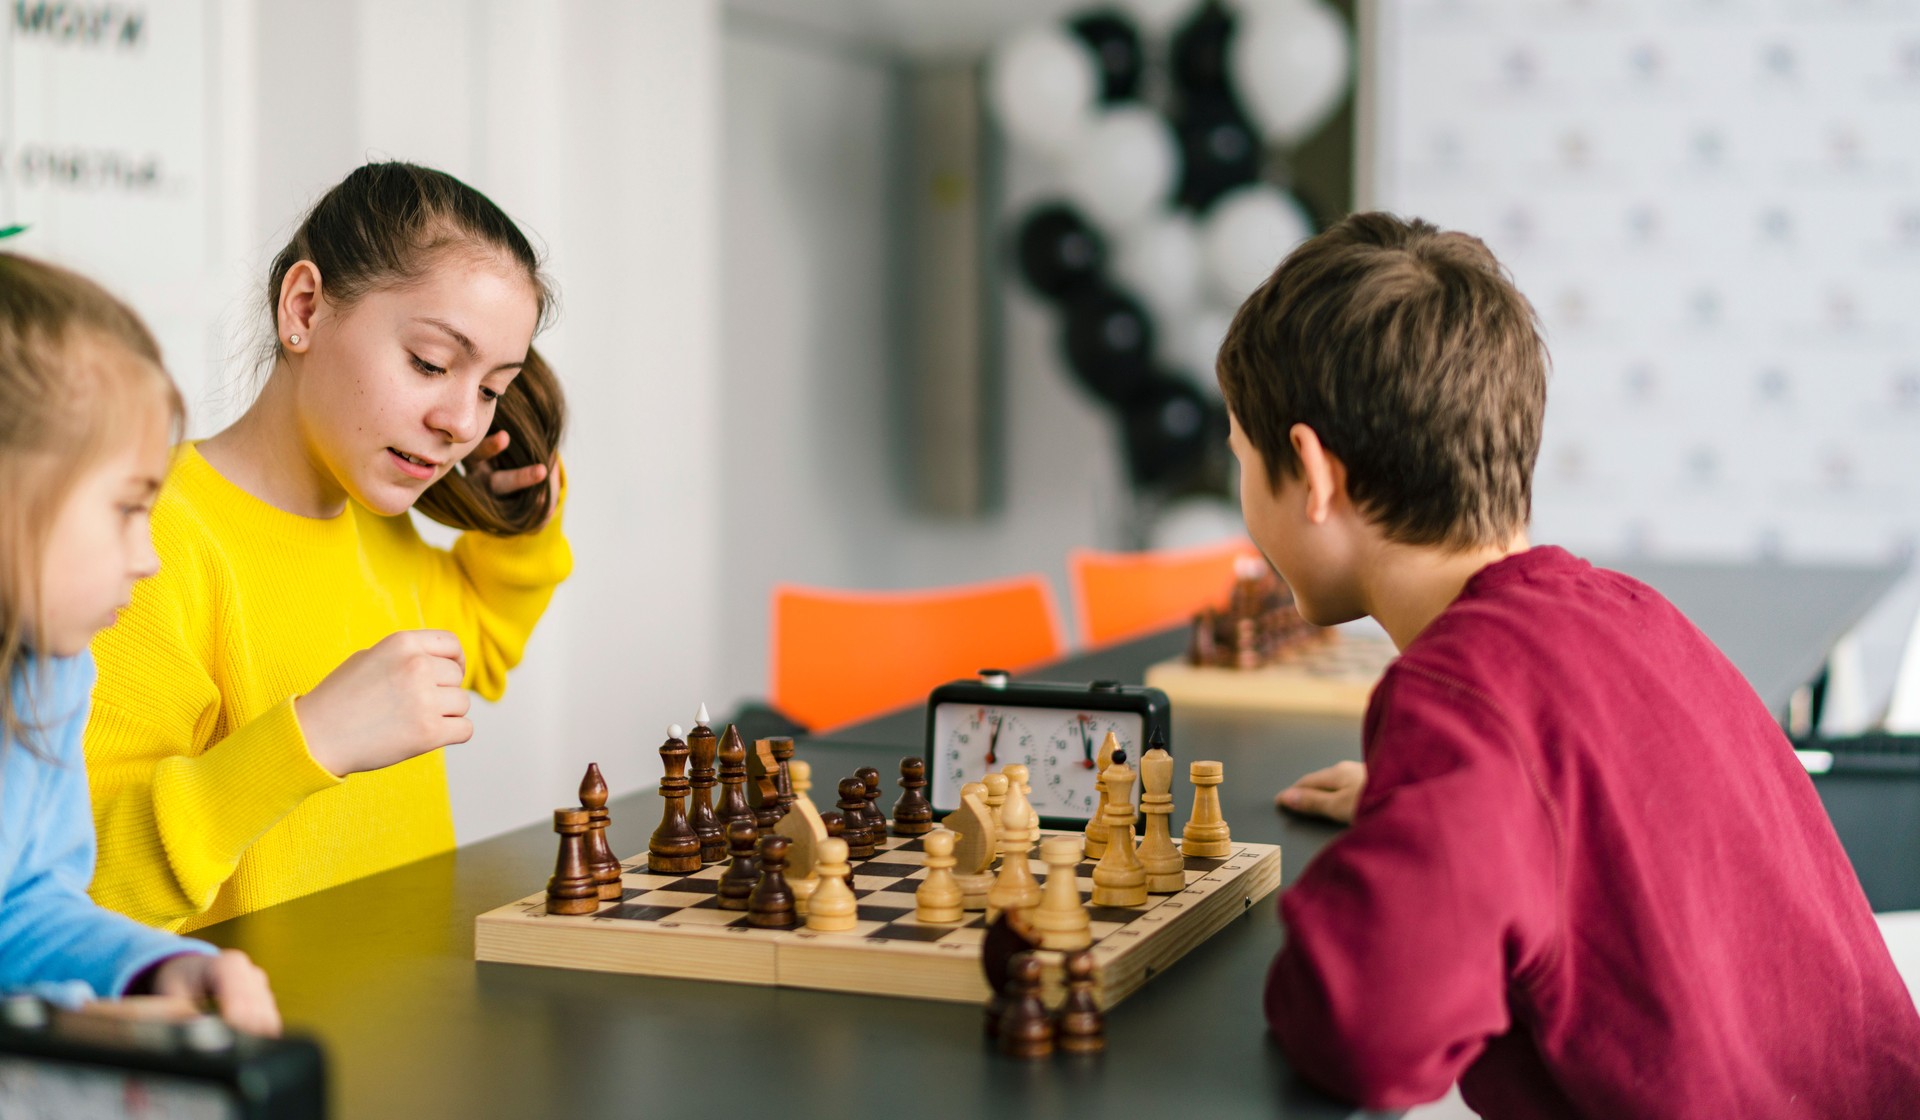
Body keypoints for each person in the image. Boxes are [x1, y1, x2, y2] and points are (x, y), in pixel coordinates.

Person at [1221, 213, 1920, 1117]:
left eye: (1242, 458)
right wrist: (1433, 809)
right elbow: (1606, 797)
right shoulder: (1629, 613)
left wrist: (1408, 850)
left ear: (1312, 474)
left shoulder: (1461, 696)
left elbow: (1368, 1030)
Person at [86, 162, 573, 932]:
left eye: (490, 388)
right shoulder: (153, 541)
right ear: (305, 309)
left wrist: (527, 507)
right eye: (432, 364)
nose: (462, 423)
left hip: (414, 1032)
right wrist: (312, 739)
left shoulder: (380, 521)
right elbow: (88, 891)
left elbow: (482, 639)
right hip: (265, 1043)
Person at [0, 252, 279, 1032]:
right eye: (127, 508)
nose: (147, 556)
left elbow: (21, 908)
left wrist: (154, 965)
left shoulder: (50, 672)